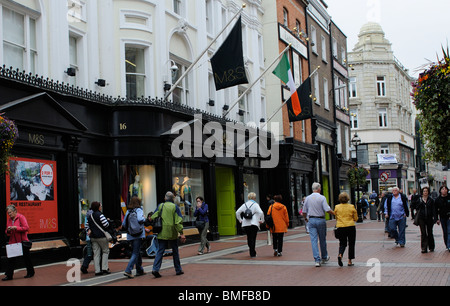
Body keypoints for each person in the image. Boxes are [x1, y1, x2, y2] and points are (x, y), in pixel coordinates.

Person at [150, 191, 186, 278]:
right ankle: (178, 269)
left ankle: (155, 269)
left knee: (160, 251)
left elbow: (153, 217)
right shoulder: (175, 207)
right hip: (172, 232)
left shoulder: (161, 205)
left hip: (162, 232)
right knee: (175, 251)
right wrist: (181, 233)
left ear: (165, 198)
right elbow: (178, 221)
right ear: (173, 199)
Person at [302, 183, 335, 267]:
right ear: (319, 189)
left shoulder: (307, 198)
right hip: (320, 219)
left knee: (313, 240)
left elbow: (304, 211)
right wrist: (335, 214)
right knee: (322, 239)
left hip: (311, 220)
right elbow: (327, 209)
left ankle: (317, 259)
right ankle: (324, 256)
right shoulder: (322, 198)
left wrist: (306, 219)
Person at [3, 205, 34, 281]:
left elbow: (26, 228)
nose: (9, 214)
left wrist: (16, 228)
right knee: (11, 259)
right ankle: (9, 276)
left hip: (22, 242)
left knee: (27, 259)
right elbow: (7, 232)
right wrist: (8, 230)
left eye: (10, 212)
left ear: (15, 211)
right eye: (8, 213)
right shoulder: (9, 220)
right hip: (13, 242)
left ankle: (30, 272)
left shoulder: (21, 217)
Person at [122, 196, 146, 278]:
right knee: (135, 253)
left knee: (137, 251)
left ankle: (139, 270)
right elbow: (140, 219)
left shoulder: (128, 211)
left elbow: (124, 224)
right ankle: (128, 270)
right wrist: (144, 218)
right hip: (138, 234)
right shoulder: (139, 210)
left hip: (130, 234)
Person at [235, 192, 264, 258]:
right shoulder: (255, 204)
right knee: (253, 238)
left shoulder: (244, 204)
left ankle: (251, 250)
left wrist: (240, 220)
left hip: (246, 224)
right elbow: (261, 212)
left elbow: (237, 212)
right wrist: (261, 220)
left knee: (249, 237)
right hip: (254, 223)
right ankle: (252, 252)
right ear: (254, 198)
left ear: (248, 197)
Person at [86, 201, 111, 276]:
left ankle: (97, 270)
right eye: (100, 206)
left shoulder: (90, 216)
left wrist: (90, 230)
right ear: (98, 207)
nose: (101, 207)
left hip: (93, 237)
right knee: (105, 251)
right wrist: (108, 221)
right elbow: (106, 225)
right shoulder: (100, 215)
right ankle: (104, 268)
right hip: (102, 236)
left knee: (96, 254)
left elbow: (87, 226)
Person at [334, 192, 358, 267]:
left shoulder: (337, 207)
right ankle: (350, 261)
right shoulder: (351, 206)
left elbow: (336, 217)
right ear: (347, 199)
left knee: (342, 243)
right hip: (350, 226)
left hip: (341, 227)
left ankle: (340, 254)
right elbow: (356, 218)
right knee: (351, 243)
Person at [414, 187, 436, 253]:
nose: (425, 192)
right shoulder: (419, 200)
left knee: (429, 232)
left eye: (426, 191)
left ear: (428, 192)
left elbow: (433, 209)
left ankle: (431, 246)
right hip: (421, 218)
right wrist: (420, 204)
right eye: (424, 191)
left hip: (429, 218)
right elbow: (415, 207)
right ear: (422, 192)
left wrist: (434, 217)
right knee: (423, 233)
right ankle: (424, 247)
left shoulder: (431, 200)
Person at [435, 186, 450, 250]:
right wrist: (437, 219)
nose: (444, 190)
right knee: (445, 231)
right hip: (442, 217)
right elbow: (435, 210)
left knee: (449, 231)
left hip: (449, 217)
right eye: (442, 189)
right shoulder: (438, 199)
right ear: (440, 191)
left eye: (445, 189)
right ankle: (447, 244)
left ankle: (449, 245)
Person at [80, 208, 93, 274]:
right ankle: (84, 266)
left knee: (89, 253)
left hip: (88, 238)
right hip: (92, 237)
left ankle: (84, 266)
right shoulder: (92, 215)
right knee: (92, 253)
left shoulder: (87, 216)